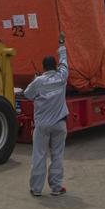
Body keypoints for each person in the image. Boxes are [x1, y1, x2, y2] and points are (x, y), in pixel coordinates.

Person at [23, 31, 69, 196]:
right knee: (57, 156)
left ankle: (36, 189)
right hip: (60, 124)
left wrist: (36, 80)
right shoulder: (62, 77)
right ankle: (56, 188)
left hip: (42, 126)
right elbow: (64, 62)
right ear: (55, 66)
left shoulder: (38, 81)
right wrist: (62, 44)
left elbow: (27, 95)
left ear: (43, 68)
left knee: (39, 156)